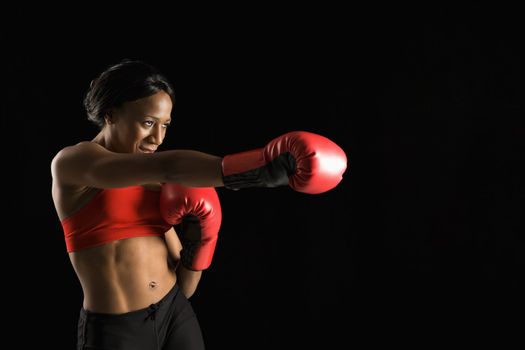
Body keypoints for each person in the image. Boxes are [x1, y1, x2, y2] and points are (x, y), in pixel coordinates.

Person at [51, 59, 347, 350]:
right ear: (111, 114)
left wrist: (199, 240)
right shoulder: (74, 163)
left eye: (165, 125)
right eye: (148, 123)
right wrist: (260, 169)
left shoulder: (159, 185)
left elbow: (185, 287)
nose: (157, 138)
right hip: (117, 332)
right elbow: (169, 166)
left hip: (175, 313)